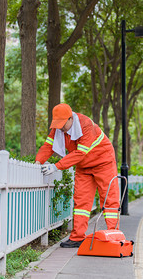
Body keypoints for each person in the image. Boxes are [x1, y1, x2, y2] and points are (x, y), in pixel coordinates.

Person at [35, 103, 120, 248]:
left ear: (70, 119)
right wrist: (38, 162)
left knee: (109, 200)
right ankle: (77, 237)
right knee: (81, 202)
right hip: (84, 167)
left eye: (63, 124)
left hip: (103, 162)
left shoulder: (86, 125)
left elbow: (80, 153)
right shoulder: (58, 129)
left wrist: (56, 166)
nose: (61, 128)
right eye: (58, 124)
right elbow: (48, 146)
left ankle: (113, 235)